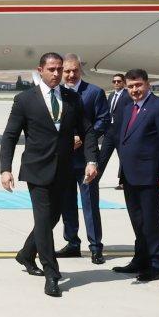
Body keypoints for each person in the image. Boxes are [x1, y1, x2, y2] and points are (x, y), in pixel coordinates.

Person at [2, 53, 100, 297]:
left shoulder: (72, 98)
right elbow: (10, 136)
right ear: (40, 70)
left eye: (59, 69)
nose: (57, 74)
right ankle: (52, 274)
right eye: (52, 69)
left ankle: (26, 254)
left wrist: (91, 160)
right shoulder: (25, 100)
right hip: (37, 170)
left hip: (64, 170)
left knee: (52, 218)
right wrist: (5, 168)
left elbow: (88, 131)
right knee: (44, 220)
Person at [98, 69, 159, 282]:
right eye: (130, 86)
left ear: (147, 84)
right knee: (138, 221)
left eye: (138, 85)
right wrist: (98, 165)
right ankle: (141, 259)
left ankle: (157, 265)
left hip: (150, 176)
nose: (134, 90)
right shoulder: (126, 108)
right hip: (129, 176)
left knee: (151, 221)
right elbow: (115, 137)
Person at [56, 54, 110, 264]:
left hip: (86, 158)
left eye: (75, 70)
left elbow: (103, 120)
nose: (71, 75)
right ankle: (72, 243)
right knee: (66, 202)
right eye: (67, 71)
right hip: (63, 159)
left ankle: (96, 247)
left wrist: (83, 138)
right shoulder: (56, 93)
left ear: (81, 70)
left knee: (90, 203)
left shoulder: (94, 93)